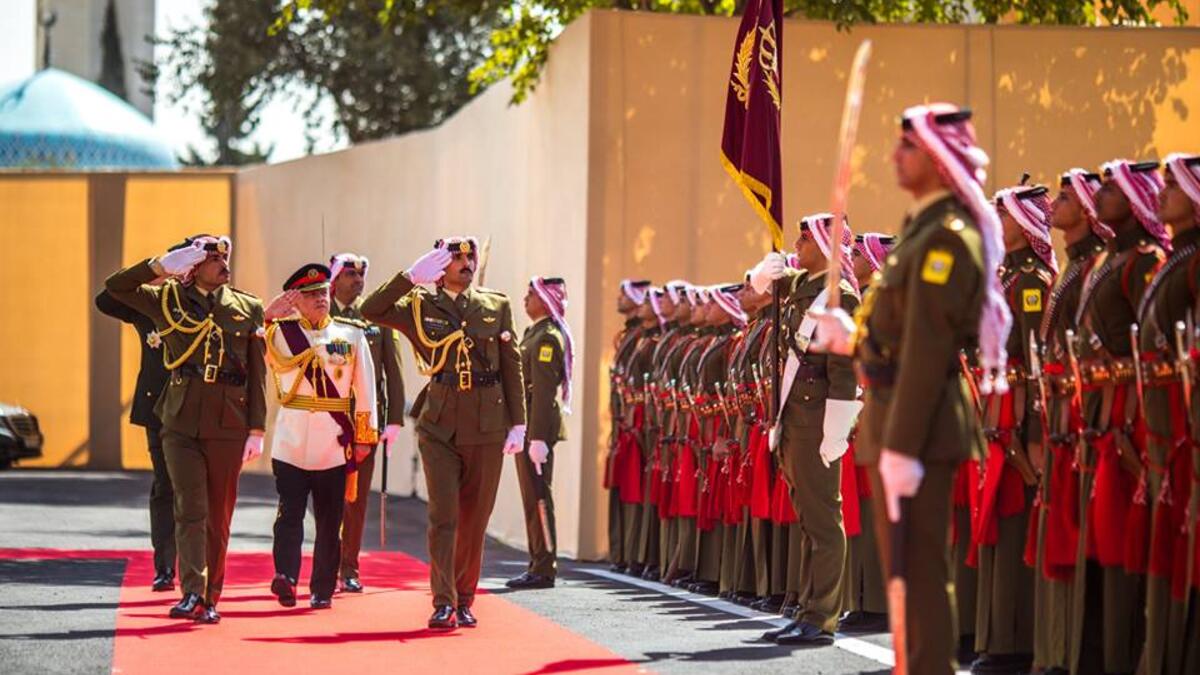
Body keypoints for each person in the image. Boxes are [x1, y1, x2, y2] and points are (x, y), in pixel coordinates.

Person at [811, 103, 1009, 673]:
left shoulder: (947, 237)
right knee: (905, 577)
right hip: (897, 418)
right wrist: (853, 337)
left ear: (939, 157)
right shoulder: (919, 230)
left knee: (922, 577)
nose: (895, 157)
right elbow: (896, 331)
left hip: (919, 425)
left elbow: (927, 347)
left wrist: (900, 444)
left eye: (908, 147)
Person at [360, 237, 526, 630]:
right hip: (439, 423)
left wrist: (519, 422)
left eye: (470, 257)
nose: (466, 263)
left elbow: (511, 364)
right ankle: (443, 601)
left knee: (474, 519)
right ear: (438, 265)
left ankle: (465, 599)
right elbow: (371, 309)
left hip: (487, 421)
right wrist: (409, 277)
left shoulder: (495, 304)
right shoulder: (418, 305)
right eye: (456, 258)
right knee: (444, 515)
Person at [104, 235, 266, 624]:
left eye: (225, 256)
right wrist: (161, 265)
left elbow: (258, 372)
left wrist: (257, 429)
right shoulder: (166, 300)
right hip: (177, 419)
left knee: (218, 515)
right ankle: (192, 592)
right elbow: (116, 288)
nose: (223, 263)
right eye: (212, 258)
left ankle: (212, 596)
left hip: (229, 419)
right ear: (192, 268)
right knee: (189, 508)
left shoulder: (248, 306)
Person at [1069, 159, 1168, 675]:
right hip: (1096, 413)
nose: (1098, 198)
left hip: (1128, 418)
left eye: (1109, 190)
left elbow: (1157, 343)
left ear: (1133, 198)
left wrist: (1120, 381)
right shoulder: (1108, 259)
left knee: (1126, 544)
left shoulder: (1144, 261)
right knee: (1099, 544)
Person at [751, 213, 861, 645]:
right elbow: (764, 291)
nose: (796, 243)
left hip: (817, 422)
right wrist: (762, 274)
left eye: (804, 236)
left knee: (823, 521)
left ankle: (822, 616)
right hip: (794, 419)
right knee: (807, 521)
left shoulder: (838, 298)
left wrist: (835, 431)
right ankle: (805, 608)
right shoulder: (802, 288)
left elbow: (844, 372)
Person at [969, 184, 1057, 674]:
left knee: (1014, 521)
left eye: (1003, 214)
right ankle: (995, 635)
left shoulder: (1031, 281)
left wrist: (1032, 434)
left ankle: (1014, 639)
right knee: (998, 526)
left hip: (1018, 417)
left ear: (1024, 224)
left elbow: (1033, 361)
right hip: (997, 409)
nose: (996, 222)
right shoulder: (1007, 277)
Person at [1029, 168, 1110, 675]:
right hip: (1062, 414)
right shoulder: (1071, 272)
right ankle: (1056, 650)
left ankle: (1075, 651)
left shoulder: (1095, 270)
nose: (1054, 206)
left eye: (1064, 198)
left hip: (1094, 418)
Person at [263, 263, 378, 610]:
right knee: (289, 514)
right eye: (311, 295)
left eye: (324, 293)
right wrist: (268, 314)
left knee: (330, 521)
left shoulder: (351, 336)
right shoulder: (279, 334)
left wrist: (363, 438)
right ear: (296, 300)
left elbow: (366, 389)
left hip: (333, 443)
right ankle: (285, 576)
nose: (321, 300)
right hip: (291, 443)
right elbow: (244, 342)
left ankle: (322, 588)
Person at [1137, 153, 1200, 675]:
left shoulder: (1192, 262)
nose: (1161, 193)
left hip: (1184, 420)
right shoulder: (1169, 263)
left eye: (1172, 185)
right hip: (1161, 420)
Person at [327, 252, 406, 593]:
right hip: (326, 417)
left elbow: (394, 370)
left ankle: (350, 567)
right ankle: (326, 564)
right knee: (327, 496)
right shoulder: (320, 315)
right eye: (350, 275)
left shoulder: (375, 316)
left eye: (361, 275)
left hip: (364, 420)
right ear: (335, 280)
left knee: (356, 500)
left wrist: (394, 420)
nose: (358, 280)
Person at [95, 284, 175, 592]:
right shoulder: (151, 304)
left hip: (199, 409)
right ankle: (166, 567)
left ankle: (200, 569)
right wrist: (154, 270)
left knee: (199, 490)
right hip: (157, 407)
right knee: (165, 486)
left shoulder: (206, 302)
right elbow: (106, 300)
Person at [506, 277, 573, 590]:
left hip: (537, 428)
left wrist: (538, 438)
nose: (525, 298)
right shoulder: (534, 333)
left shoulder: (547, 338)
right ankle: (537, 561)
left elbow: (545, 393)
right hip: (529, 425)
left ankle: (545, 567)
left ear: (546, 300)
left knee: (539, 498)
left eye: (531, 294)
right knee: (532, 498)